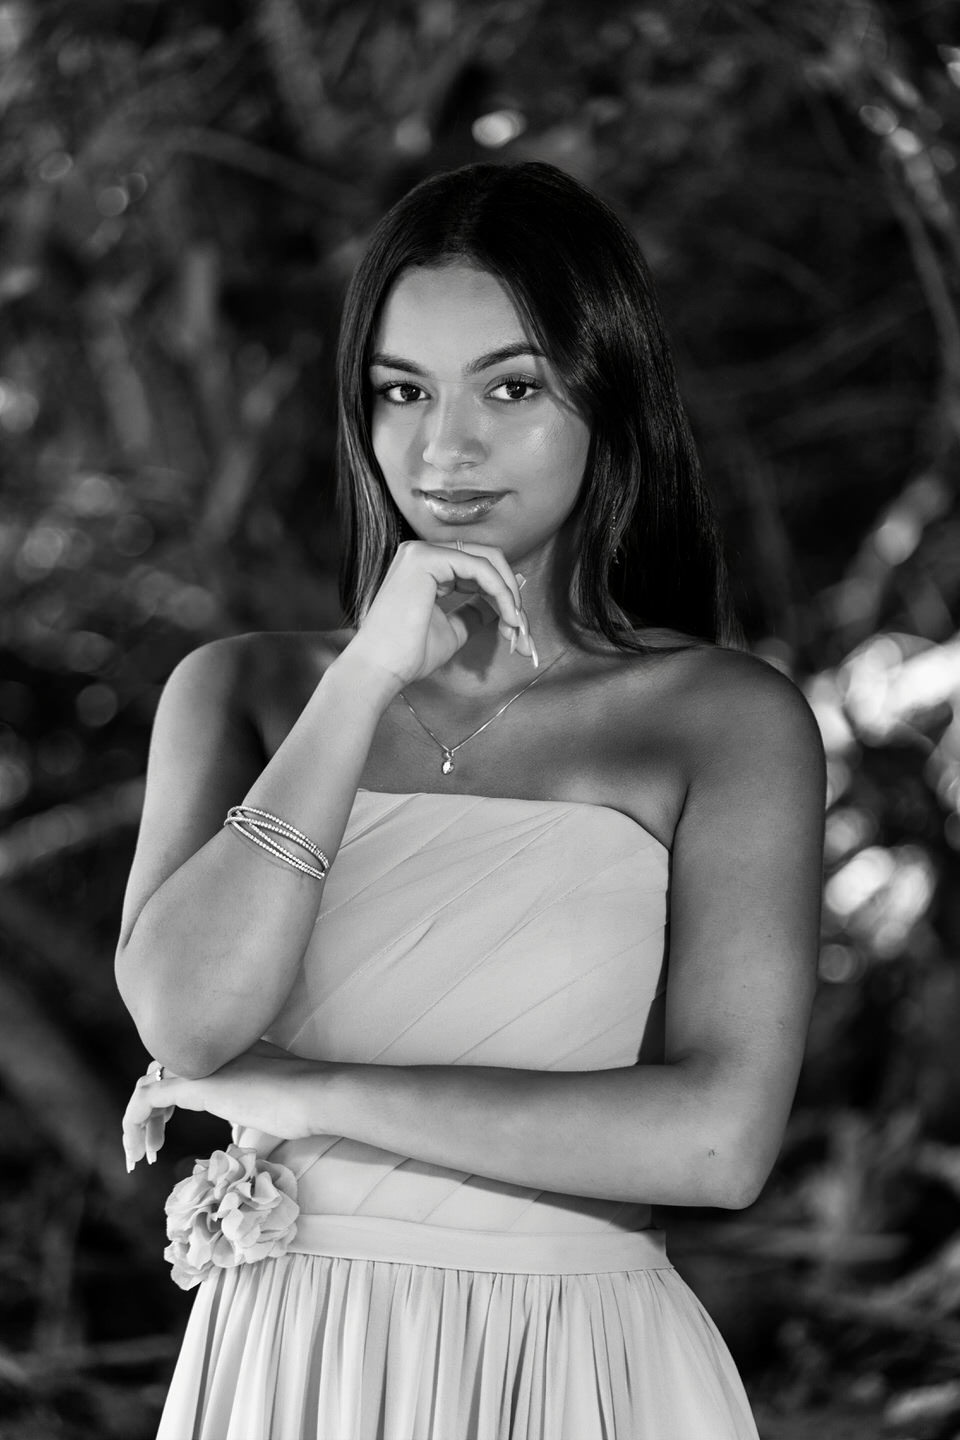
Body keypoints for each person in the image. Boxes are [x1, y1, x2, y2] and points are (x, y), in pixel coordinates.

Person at [117, 159, 825, 1440]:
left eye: (512, 387)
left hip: (572, 1366)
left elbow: (716, 1144)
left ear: (607, 395)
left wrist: (308, 1096)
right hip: (292, 1372)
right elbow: (186, 1017)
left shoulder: (718, 720)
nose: (445, 448)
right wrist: (369, 673)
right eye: (402, 392)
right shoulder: (242, 693)